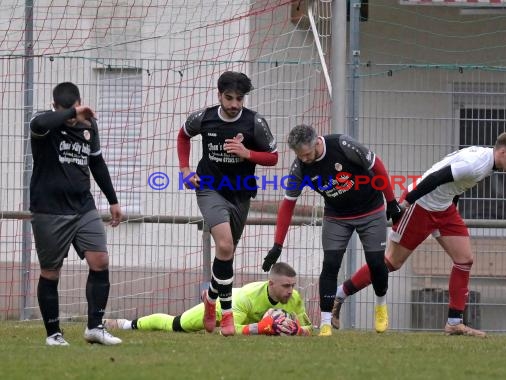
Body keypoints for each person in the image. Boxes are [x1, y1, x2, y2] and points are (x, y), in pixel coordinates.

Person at [332, 131, 506, 337]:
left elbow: (456, 184)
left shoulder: (489, 163)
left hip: (444, 209)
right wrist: (405, 204)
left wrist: (452, 208)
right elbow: (436, 177)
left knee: (464, 260)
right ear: (503, 152)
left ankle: (454, 322)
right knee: (391, 262)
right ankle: (339, 294)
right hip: (420, 205)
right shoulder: (476, 163)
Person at [262, 124, 404, 337]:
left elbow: (378, 166)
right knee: (330, 265)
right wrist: (277, 245)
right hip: (337, 217)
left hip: (371, 210)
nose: (305, 159)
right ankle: (326, 322)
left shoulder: (343, 145)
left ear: (317, 142)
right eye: (300, 156)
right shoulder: (300, 167)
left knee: (376, 263)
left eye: (308, 154)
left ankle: (381, 306)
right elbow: (288, 205)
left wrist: (391, 201)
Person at [176, 71, 278, 336]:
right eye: (229, 98)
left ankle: (210, 299)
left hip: (241, 193)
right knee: (224, 244)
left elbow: (273, 157)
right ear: (219, 95)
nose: (234, 104)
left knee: (226, 253)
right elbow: (183, 135)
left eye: (239, 99)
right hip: (209, 189)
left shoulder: (254, 122)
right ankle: (228, 314)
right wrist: (185, 170)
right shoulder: (204, 118)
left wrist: (248, 154)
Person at [29, 82, 123, 346]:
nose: (74, 117)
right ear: (55, 107)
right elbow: (38, 124)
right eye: (66, 111)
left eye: (75, 109)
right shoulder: (44, 123)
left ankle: (95, 327)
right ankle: (53, 334)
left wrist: (113, 200)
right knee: (51, 272)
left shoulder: (88, 126)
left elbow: (97, 162)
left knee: (100, 260)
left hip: (83, 206)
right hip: (49, 209)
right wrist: (71, 114)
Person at [105, 262, 312, 335]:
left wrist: (297, 330)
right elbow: (229, 331)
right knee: (176, 324)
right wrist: (263, 328)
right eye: (286, 286)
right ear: (271, 284)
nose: (290, 290)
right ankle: (125, 324)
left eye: (292, 285)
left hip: (244, 316)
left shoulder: (294, 297)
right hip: (223, 309)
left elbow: (309, 328)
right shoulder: (248, 297)